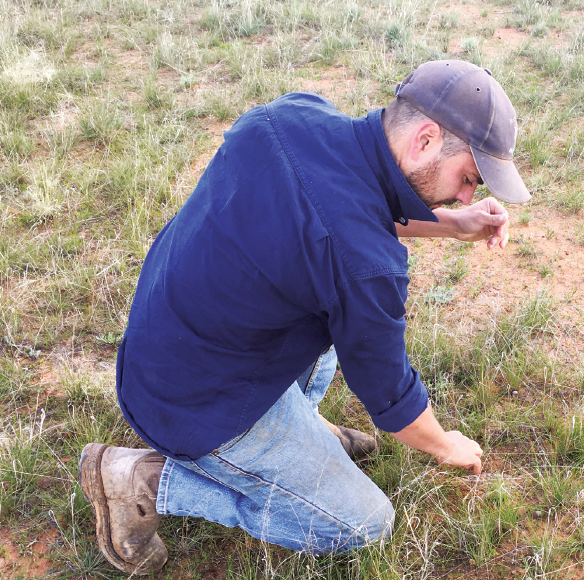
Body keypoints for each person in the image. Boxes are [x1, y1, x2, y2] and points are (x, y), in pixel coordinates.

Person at [78, 60, 531, 575]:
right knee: (365, 523)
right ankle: (140, 480)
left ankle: (301, 436)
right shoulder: (364, 264)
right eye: (468, 179)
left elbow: (343, 217)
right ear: (425, 141)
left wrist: (453, 225)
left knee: (333, 302)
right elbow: (389, 395)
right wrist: (446, 444)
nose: (467, 195)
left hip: (160, 347)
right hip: (193, 404)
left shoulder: (291, 116)